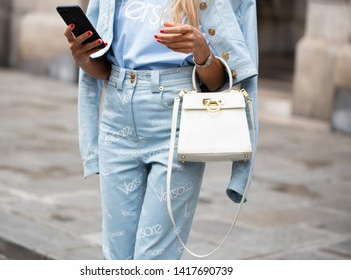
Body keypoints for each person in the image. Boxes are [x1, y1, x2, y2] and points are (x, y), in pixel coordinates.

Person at [63, 0, 258, 260]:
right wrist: (82, 56)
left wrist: (202, 52)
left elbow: (219, 82)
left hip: (177, 123)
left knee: (154, 259)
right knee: (116, 257)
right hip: (116, 119)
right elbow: (103, 70)